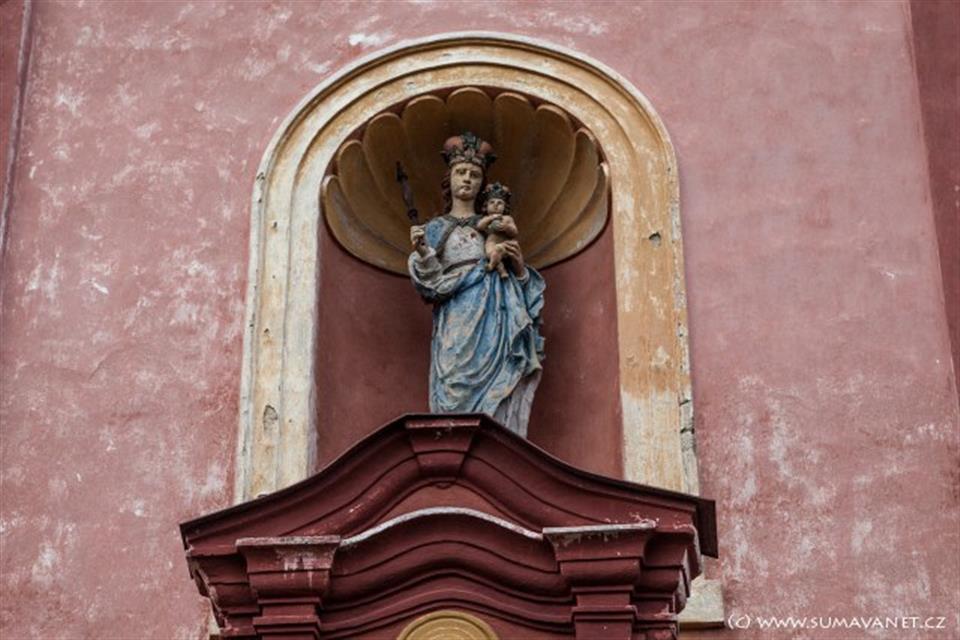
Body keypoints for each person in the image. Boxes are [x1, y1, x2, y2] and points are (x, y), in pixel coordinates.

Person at [408, 132, 545, 437]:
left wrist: (518, 266)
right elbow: (430, 284)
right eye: (461, 172)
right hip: (456, 312)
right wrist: (422, 252)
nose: (467, 179)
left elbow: (524, 291)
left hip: (497, 311)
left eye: (474, 174)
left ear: (482, 183)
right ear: (449, 178)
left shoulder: (494, 225)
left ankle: (498, 431)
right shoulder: (436, 228)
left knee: (500, 377)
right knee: (454, 379)